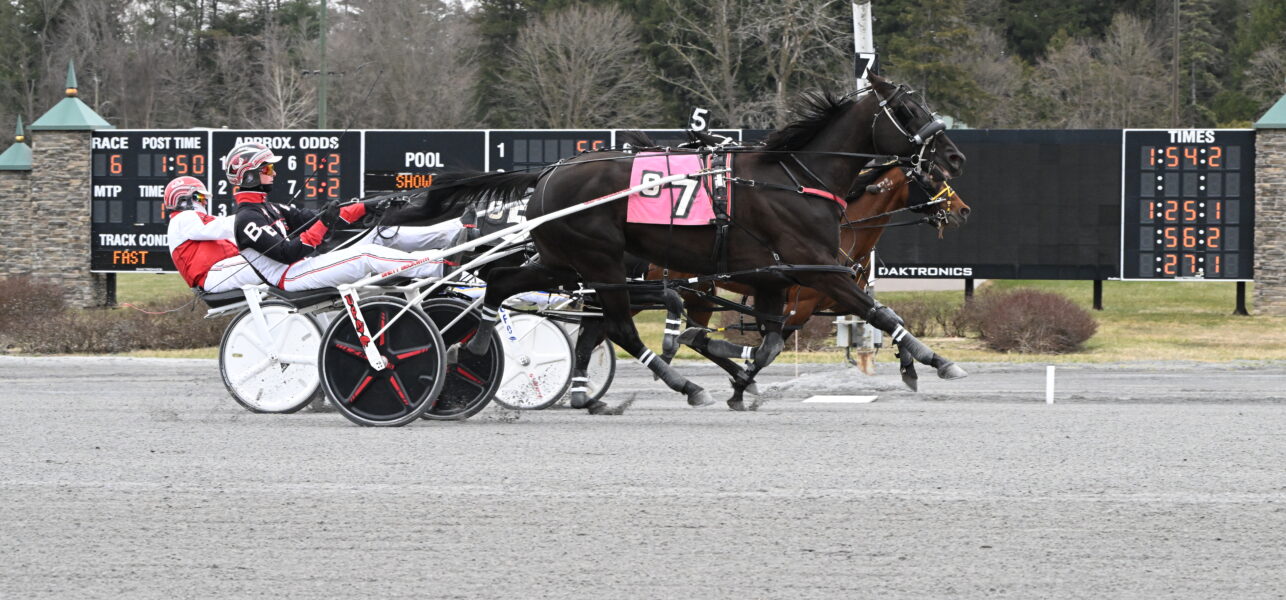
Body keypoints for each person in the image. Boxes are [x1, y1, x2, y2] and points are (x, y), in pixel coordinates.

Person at [223, 141, 464, 291]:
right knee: (365, 255)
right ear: (249, 176)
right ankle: (437, 265)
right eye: (267, 168)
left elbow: (319, 217)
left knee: (380, 234)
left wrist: (368, 205)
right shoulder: (247, 219)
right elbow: (287, 254)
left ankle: (454, 232)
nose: (273, 173)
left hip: (304, 266)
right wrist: (323, 224)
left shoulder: (273, 208)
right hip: (290, 277)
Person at [163, 176, 262, 294]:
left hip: (219, 272)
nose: (205, 201)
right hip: (213, 274)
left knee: (273, 257)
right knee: (268, 263)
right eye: (200, 196)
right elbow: (224, 226)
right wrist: (255, 216)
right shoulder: (183, 218)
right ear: (183, 200)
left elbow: (237, 233)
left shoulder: (197, 221)